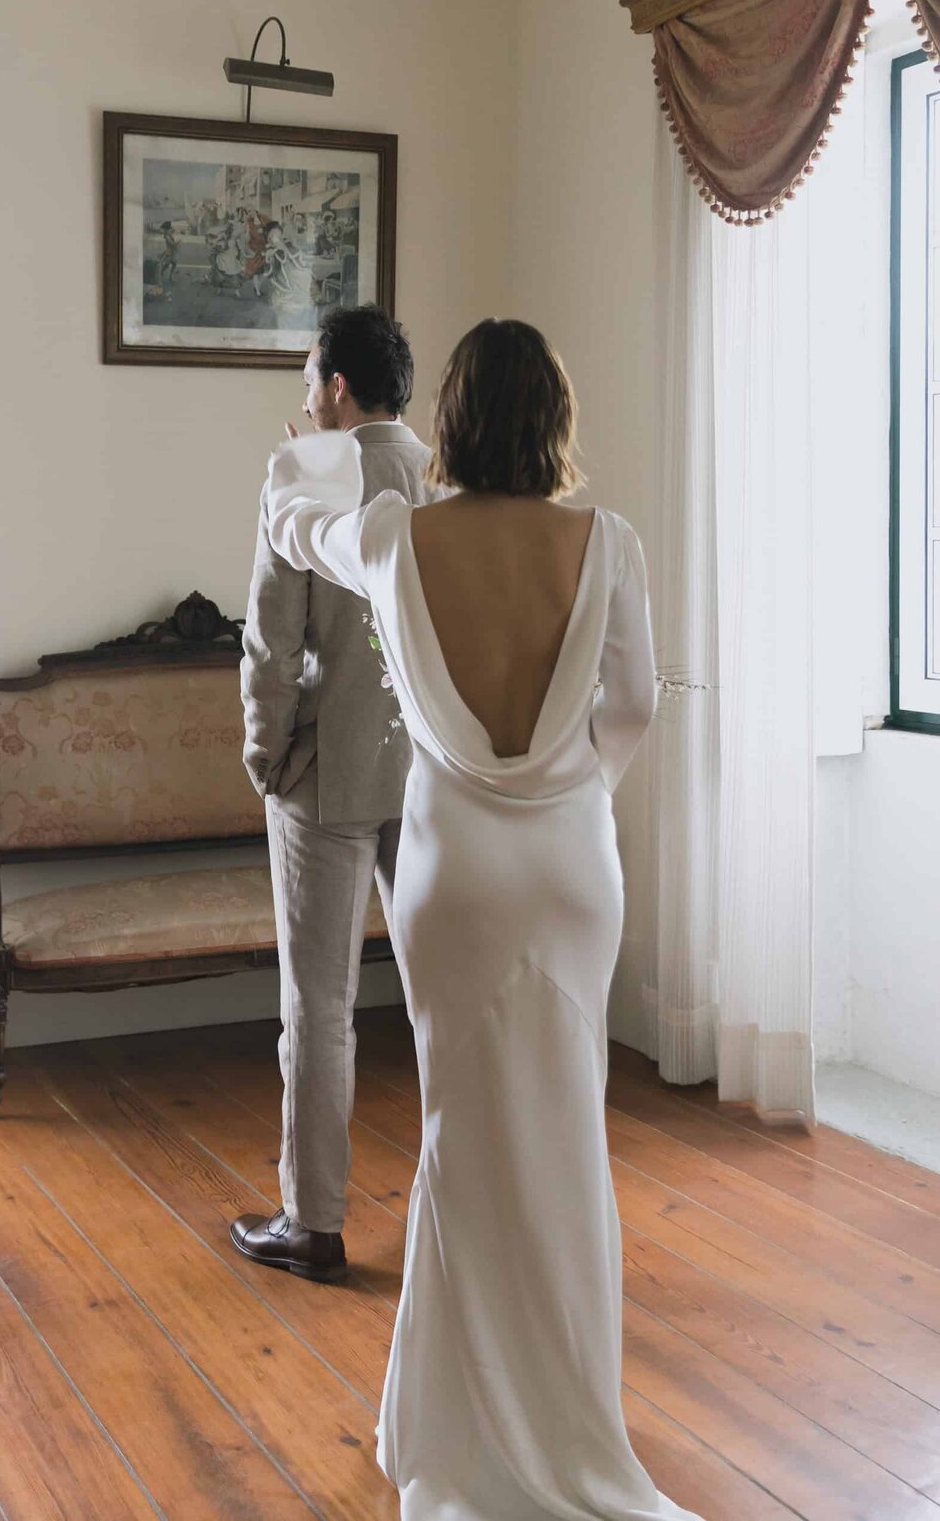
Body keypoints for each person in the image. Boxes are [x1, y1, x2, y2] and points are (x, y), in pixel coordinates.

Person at [257, 319, 701, 1521]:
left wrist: (309, 451)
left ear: (447, 419)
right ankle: (570, 1427)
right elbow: (631, 710)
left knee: (461, 1124)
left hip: (452, 874)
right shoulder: (608, 544)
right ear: (554, 415)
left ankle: (453, 1434)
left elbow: (301, 524)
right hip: (567, 874)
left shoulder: (399, 539)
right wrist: (564, 799)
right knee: (564, 1132)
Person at [232, 304, 430, 1284]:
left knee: (319, 1003)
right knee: (443, 1001)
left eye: (310, 381)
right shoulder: (442, 474)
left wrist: (266, 756)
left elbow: (273, 639)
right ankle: (461, 1217)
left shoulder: (303, 473)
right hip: (432, 774)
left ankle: (313, 1223)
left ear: (337, 388)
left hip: (326, 772)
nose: (305, 400)